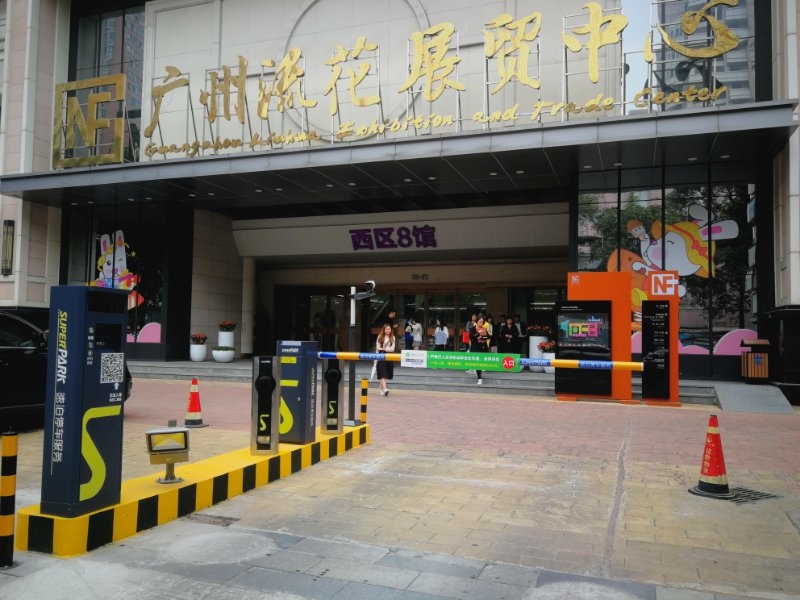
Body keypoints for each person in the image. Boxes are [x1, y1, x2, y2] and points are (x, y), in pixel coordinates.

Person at [375, 323, 396, 396]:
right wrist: (376, 358)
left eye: (389, 329)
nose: (388, 330)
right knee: (382, 372)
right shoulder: (380, 336)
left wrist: (384, 349)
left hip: (389, 357)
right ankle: (385, 389)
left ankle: (380, 389)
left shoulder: (393, 337)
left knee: (386, 373)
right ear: (384, 329)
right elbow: (377, 348)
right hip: (380, 356)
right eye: (386, 329)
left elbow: (392, 349)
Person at [470, 317, 490, 385]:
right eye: (480, 321)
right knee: (477, 363)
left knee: (481, 362)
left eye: (482, 322)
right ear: (477, 322)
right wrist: (478, 334)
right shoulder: (473, 328)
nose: (481, 323)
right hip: (475, 347)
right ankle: (479, 378)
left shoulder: (484, 329)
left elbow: (488, 337)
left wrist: (482, 337)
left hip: (483, 347)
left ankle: (480, 373)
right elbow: (471, 336)